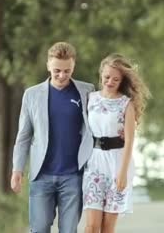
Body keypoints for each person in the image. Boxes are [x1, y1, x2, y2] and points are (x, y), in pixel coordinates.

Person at [11, 42, 95, 233]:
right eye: (57, 70)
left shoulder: (87, 91)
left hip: (73, 175)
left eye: (67, 71)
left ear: (73, 66)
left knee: (68, 230)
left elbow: (99, 123)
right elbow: (24, 136)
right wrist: (17, 169)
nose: (62, 75)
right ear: (48, 65)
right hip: (42, 175)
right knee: (39, 228)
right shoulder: (31, 95)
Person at [82, 53, 151, 233]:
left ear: (122, 81)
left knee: (107, 227)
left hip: (118, 164)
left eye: (115, 79)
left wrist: (122, 173)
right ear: (101, 75)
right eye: (106, 77)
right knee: (91, 226)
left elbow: (129, 141)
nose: (110, 82)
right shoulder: (91, 99)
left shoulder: (126, 104)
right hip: (94, 163)